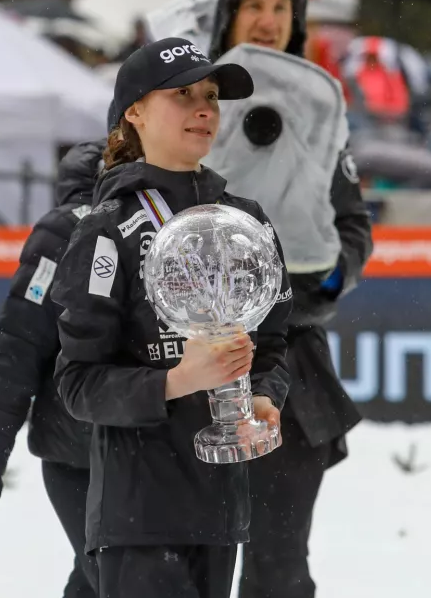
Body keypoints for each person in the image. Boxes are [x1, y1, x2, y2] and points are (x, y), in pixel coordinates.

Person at [51, 37, 292, 598]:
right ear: (133, 111)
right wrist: (178, 381)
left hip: (221, 509)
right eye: (182, 94)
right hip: (137, 514)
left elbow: (277, 344)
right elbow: (76, 383)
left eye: (210, 95)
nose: (204, 108)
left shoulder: (248, 223)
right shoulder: (105, 229)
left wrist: (262, 395)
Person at [205, 0, 372, 598]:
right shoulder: (185, 97)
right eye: (255, 5)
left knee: (278, 569)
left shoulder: (319, 111)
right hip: (188, 361)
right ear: (228, 14)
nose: (269, 20)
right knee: (183, 562)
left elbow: (352, 225)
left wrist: (326, 285)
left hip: (294, 372)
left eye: (281, 8)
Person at [0, 139, 104, 598]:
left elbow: (11, 360)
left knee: (101, 579)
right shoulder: (62, 235)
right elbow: (14, 356)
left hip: (90, 452)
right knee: (119, 579)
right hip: (88, 455)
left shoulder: (177, 224)